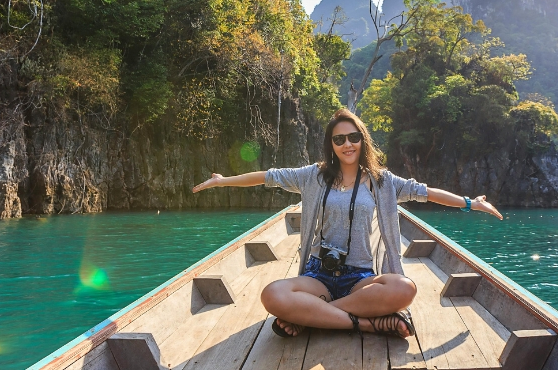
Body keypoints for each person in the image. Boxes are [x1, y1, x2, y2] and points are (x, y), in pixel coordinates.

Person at [191, 108, 504, 339]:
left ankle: (313, 316)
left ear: (362, 139)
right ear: (332, 144)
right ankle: (365, 323)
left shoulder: (383, 182)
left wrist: (469, 203)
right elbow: (267, 177)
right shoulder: (313, 176)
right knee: (272, 295)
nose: (347, 144)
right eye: (339, 139)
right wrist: (222, 181)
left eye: (353, 137)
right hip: (319, 275)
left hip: (359, 277)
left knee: (403, 287)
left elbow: (426, 193)